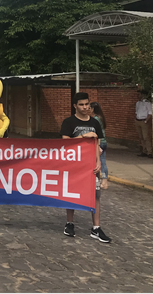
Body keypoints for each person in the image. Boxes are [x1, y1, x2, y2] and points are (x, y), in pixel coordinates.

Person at [60, 92, 109, 243]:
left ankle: (96, 228)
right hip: (74, 165)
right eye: (81, 104)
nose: (85, 107)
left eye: (87, 104)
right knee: (71, 194)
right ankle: (69, 223)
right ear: (75, 106)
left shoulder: (95, 123)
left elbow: (98, 144)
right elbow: (65, 143)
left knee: (96, 195)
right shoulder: (68, 122)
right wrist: (82, 137)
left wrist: (99, 162)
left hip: (90, 167)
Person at [90, 102, 109, 190]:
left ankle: (104, 182)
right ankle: (104, 181)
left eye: (90, 108)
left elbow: (97, 132)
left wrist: (97, 144)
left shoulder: (96, 119)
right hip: (104, 141)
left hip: (99, 142)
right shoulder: (101, 117)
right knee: (103, 161)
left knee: (101, 162)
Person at [135, 92, 153, 157]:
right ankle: (144, 151)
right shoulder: (137, 103)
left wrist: (146, 120)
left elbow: (150, 113)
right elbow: (136, 112)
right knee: (141, 137)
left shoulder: (147, 103)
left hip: (144, 121)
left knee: (146, 137)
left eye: (139, 94)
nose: (138, 96)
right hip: (138, 120)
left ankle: (149, 152)